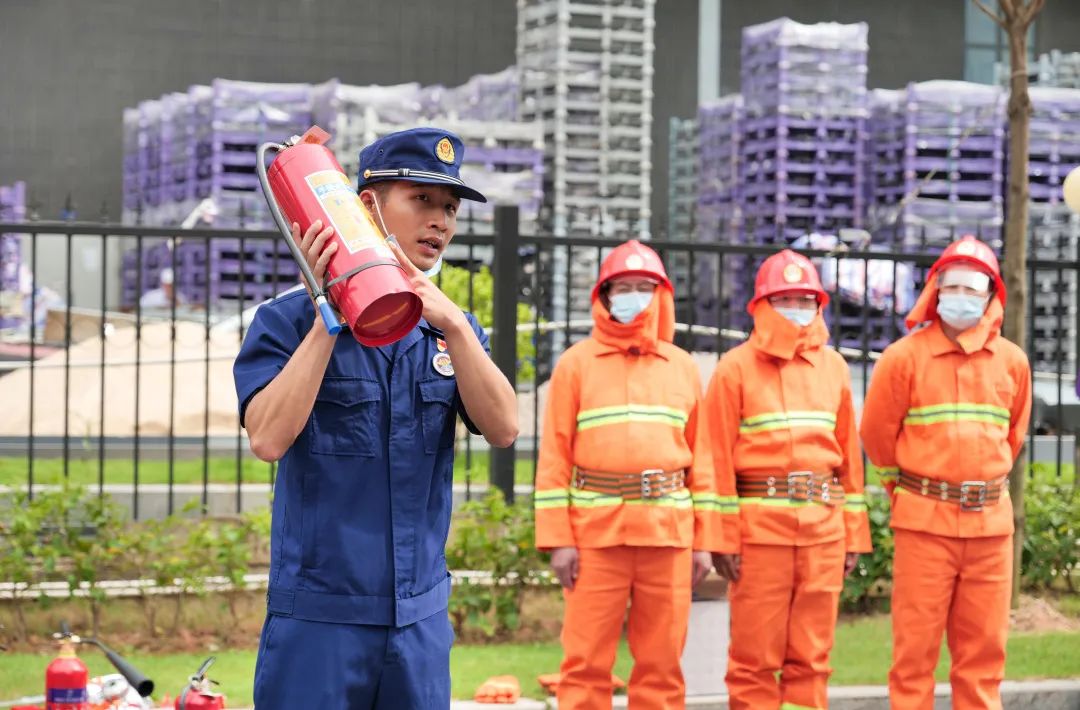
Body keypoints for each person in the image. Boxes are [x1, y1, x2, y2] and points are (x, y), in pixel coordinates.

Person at [233, 127, 518, 708]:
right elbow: (267, 438)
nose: (439, 221)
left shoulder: (451, 330)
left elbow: (505, 428)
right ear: (366, 206)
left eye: (450, 208)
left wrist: (455, 324)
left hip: (419, 619)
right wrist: (329, 314)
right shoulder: (287, 322)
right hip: (319, 620)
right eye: (422, 199)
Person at [533, 239, 724, 709]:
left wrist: (703, 542)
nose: (634, 297)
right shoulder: (575, 365)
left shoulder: (682, 367)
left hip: (668, 537)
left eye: (644, 287)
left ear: (661, 296)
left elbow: (702, 461)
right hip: (595, 539)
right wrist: (558, 540)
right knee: (584, 665)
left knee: (662, 666)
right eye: (623, 288)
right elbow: (554, 458)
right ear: (604, 295)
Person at [860, 235, 1031, 710]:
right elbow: (876, 436)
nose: (961, 297)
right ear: (935, 291)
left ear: (991, 295)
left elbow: (1013, 437)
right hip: (924, 527)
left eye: (972, 288)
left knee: (984, 659)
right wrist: (910, 491)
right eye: (952, 286)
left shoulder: (1013, 362)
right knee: (913, 656)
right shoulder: (903, 358)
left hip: (990, 531)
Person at [703, 249, 871, 710]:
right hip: (760, 538)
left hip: (824, 535)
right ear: (762, 305)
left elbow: (849, 463)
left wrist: (853, 534)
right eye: (784, 299)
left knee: (812, 661)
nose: (795, 309)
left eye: (804, 299)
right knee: (753, 661)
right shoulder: (734, 368)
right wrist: (721, 539)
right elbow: (714, 459)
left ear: (819, 305)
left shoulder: (835, 368)